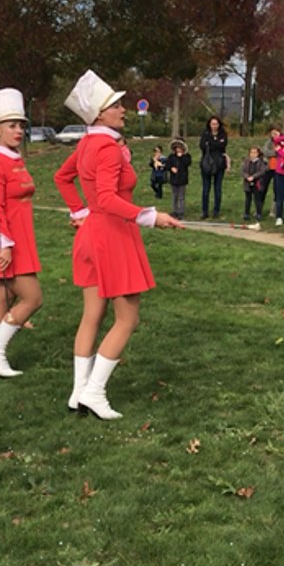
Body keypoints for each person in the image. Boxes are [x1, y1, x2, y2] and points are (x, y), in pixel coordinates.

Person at [56, 70, 183, 420]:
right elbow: (108, 198)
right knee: (127, 319)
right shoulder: (107, 148)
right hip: (113, 236)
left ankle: (79, 392)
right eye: (116, 105)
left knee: (92, 316)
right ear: (99, 114)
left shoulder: (87, 144)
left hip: (90, 235)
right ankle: (94, 392)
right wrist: (150, 216)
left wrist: (80, 211)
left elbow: (63, 178)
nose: (123, 109)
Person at [0, 88, 43, 378]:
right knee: (33, 298)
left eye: (21, 126)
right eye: (11, 126)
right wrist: (4, 244)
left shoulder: (16, 159)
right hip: (6, 239)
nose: (18, 131)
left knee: (4, 298)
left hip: (20, 236)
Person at [199, 116, 229, 219]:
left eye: (216, 124)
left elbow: (222, 145)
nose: (214, 126)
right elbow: (202, 145)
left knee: (218, 188)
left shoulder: (223, 134)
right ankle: (204, 211)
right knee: (205, 189)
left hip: (219, 164)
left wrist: (210, 143)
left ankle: (216, 211)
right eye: (212, 124)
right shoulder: (205, 133)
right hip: (207, 164)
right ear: (209, 124)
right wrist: (215, 143)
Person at [263, 128, 284, 226]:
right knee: (279, 195)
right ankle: (279, 216)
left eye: (276, 132)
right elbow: (282, 152)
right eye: (273, 133)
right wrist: (281, 146)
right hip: (279, 171)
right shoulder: (277, 144)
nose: (274, 134)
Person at [166, 139, 191, 220]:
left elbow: (188, 163)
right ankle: (175, 211)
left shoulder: (186, 156)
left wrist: (182, 157)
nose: (178, 149)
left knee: (181, 196)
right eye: (177, 148)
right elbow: (167, 165)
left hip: (182, 179)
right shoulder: (171, 157)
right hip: (174, 179)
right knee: (174, 196)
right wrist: (171, 168)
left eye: (180, 148)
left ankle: (181, 212)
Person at [241, 146, 267, 222]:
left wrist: (254, 177)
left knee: (257, 199)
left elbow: (262, 171)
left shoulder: (261, 162)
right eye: (251, 152)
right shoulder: (246, 161)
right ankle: (246, 213)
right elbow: (242, 171)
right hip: (247, 182)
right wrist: (247, 177)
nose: (253, 154)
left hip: (257, 182)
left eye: (255, 152)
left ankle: (259, 213)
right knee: (248, 199)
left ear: (258, 153)